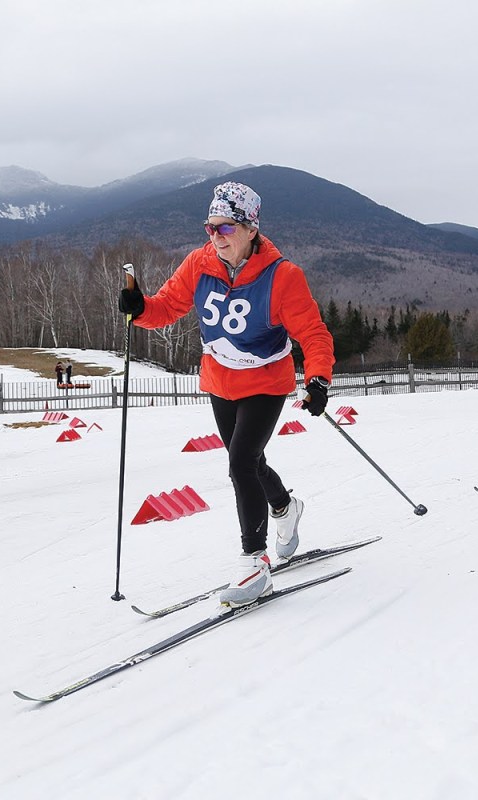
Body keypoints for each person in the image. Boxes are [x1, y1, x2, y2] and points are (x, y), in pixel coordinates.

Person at [118, 181, 335, 606]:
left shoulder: (282, 276)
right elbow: (167, 307)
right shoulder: (200, 263)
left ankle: (254, 561)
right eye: (210, 227)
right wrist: (139, 308)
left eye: (226, 228)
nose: (215, 237)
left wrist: (318, 380)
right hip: (220, 381)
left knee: (241, 463)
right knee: (251, 462)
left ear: (251, 229)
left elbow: (313, 333)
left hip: (266, 382)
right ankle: (286, 508)